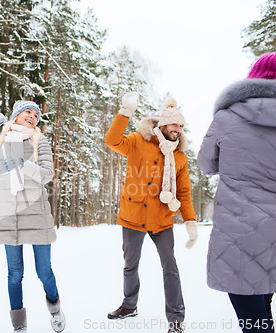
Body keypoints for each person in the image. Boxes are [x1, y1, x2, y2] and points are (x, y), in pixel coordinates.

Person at [197, 51, 276, 333]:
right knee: (261, 306)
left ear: (252, 76)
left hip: (236, 226)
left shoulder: (227, 116)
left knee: (252, 318)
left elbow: (205, 163)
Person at [0, 101, 65, 333]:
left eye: (36, 115)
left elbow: (47, 174)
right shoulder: (0, 143)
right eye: (27, 112)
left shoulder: (40, 140)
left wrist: (23, 165)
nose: (32, 117)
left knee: (44, 272)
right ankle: (19, 326)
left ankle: (55, 308)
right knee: (15, 274)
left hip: (36, 214)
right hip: (7, 216)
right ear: (16, 116)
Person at [104, 94, 198, 333]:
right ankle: (129, 305)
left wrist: (190, 221)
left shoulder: (179, 157)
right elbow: (112, 140)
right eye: (175, 125)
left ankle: (176, 319)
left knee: (170, 267)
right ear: (163, 125)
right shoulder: (137, 141)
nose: (178, 129)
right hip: (132, 216)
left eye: (181, 126)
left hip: (161, 219)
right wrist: (125, 111)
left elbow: (184, 191)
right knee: (129, 265)